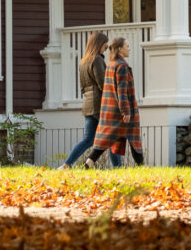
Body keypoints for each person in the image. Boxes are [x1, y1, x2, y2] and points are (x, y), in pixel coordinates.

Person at [59, 31, 122, 168]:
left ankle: (66, 165)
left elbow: (82, 87)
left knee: (88, 140)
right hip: (100, 105)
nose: (105, 49)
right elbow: (102, 84)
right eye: (105, 46)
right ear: (99, 44)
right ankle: (118, 169)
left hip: (88, 105)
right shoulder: (97, 59)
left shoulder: (83, 61)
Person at [86, 36, 144, 167]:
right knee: (134, 138)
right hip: (123, 112)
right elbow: (122, 92)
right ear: (120, 49)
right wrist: (126, 111)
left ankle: (88, 163)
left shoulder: (111, 65)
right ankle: (141, 167)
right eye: (127, 46)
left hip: (110, 110)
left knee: (106, 139)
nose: (129, 49)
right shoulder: (122, 66)